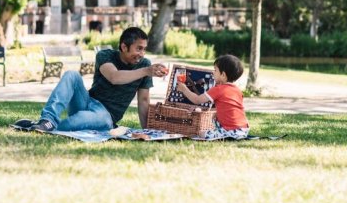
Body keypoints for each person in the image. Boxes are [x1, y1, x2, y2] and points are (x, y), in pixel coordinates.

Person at [13, 27, 168, 132]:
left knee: (77, 121)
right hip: (86, 102)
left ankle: (42, 127)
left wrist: (147, 131)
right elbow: (114, 77)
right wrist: (146, 71)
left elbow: (144, 101)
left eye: (144, 49)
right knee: (71, 75)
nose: (142, 54)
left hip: (106, 116)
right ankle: (47, 120)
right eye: (138, 48)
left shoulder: (144, 65)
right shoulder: (105, 56)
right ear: (124, 47)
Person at [176, 54, 249, 139]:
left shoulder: (218, 89)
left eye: (215, 70)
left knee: (200, 133)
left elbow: (196, 100)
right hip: (244, 130)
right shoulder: (237, 90)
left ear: (223, 75)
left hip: (231, 132)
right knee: (215, 117)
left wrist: (184, 89)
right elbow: (228, 109)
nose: (212, 72)